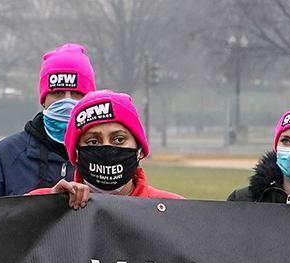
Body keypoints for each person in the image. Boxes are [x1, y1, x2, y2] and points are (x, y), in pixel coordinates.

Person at [0, 44, 95, 197]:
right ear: (43, 100)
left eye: (77, 94)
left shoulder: (105, 155)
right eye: (58, 93)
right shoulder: (6, 154)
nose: (67, 102)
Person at [37, 89, 182, 208]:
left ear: (140, 149)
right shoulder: (44, 199)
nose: (107, 148)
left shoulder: (174, 209)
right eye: (93, 141)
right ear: (75, 154)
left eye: (119, 139)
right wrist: (51, 206)